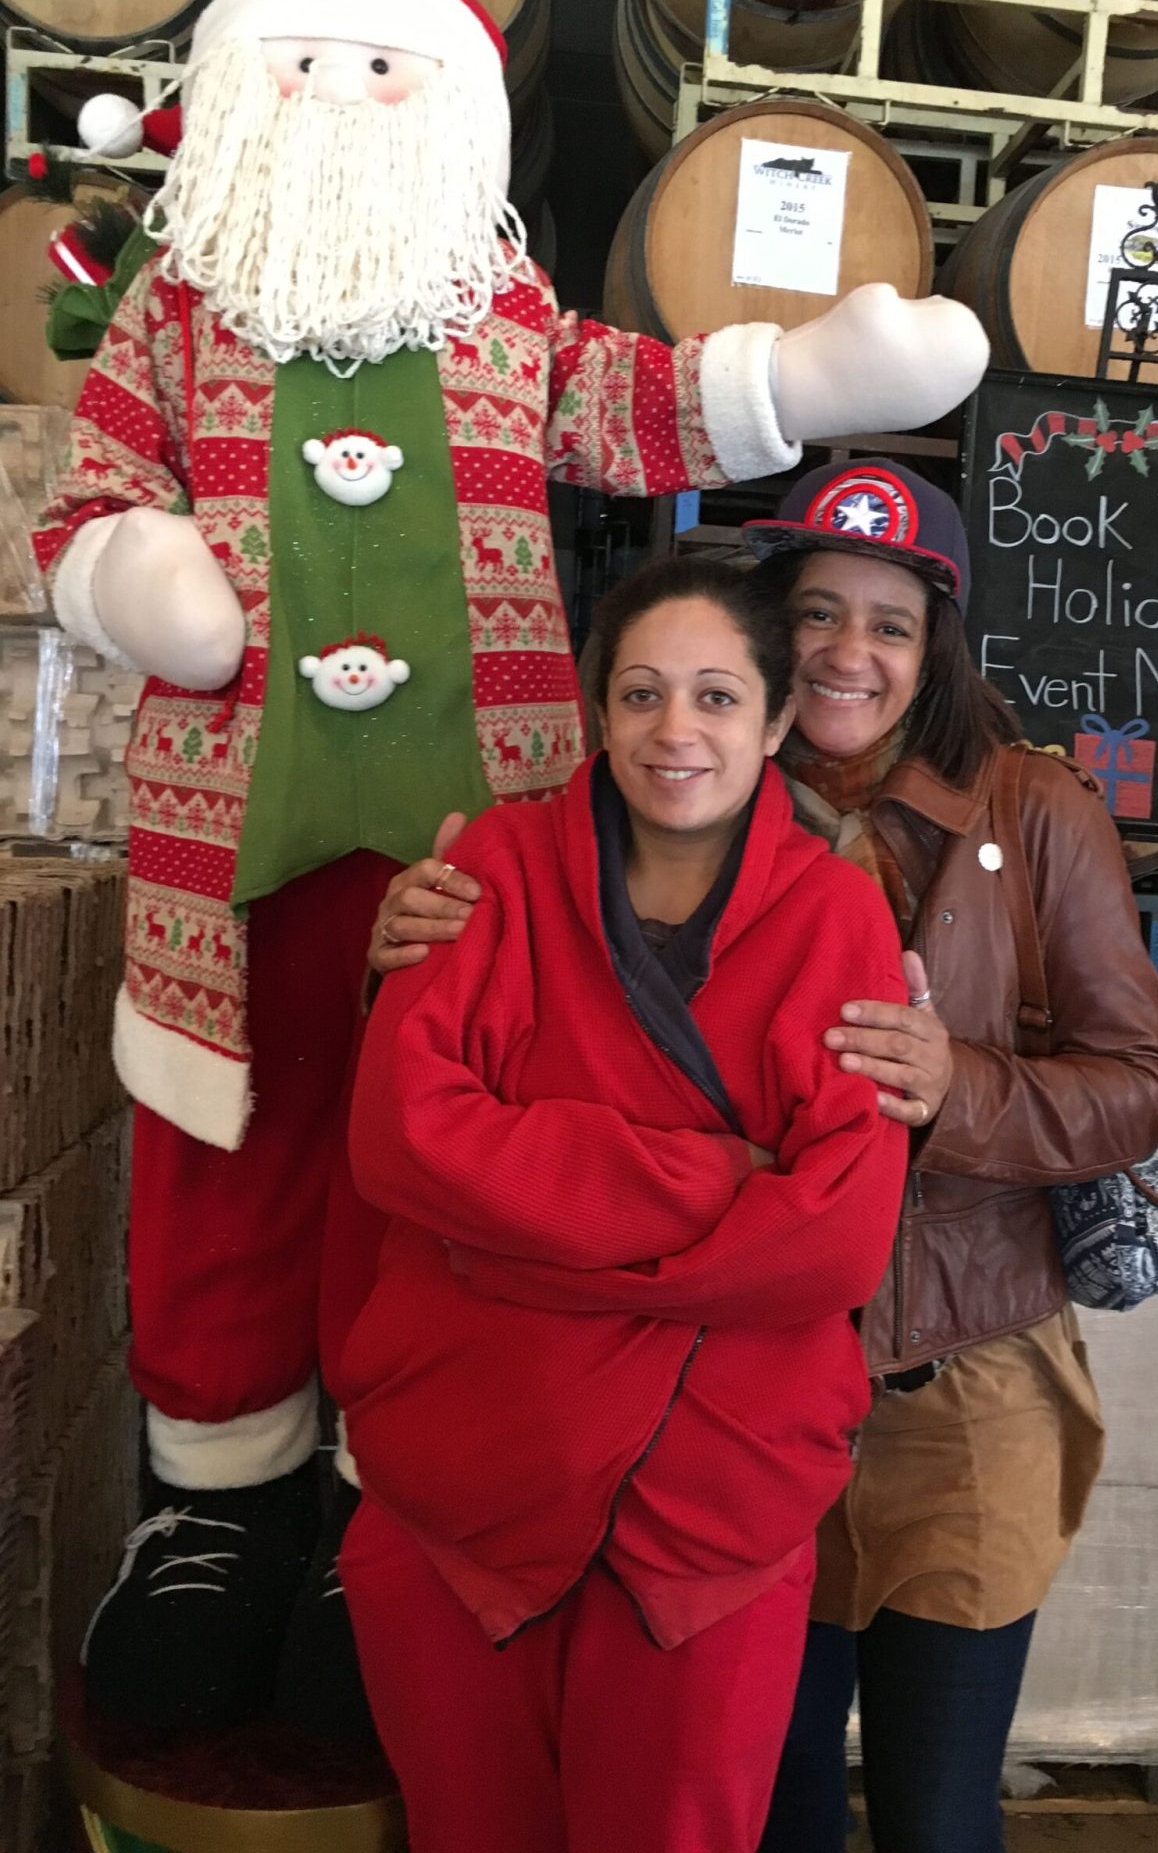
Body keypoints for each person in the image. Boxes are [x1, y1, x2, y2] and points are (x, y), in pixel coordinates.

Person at [34, 0, 988, 1731]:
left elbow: (630, 404)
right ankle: (217, 1509)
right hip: (230, 852)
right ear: (236, 94)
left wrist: (803, 384)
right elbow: (89, 495)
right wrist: (133, 574)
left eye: (383, 67)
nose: (343, 94)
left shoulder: (503, 316)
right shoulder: (171, 314)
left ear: (453, 112)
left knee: (440, 1161)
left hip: (478, 852)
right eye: (305, 64)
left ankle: (377, 1497)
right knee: (224, 1158)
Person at [373, 459, 1158, 1853]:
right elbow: (453, 1091)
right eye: (816, 613)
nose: (848, 650)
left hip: (952, 1364)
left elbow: (1140, 1088)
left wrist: (959, 1085)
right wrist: (404, 941)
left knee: (935, 1803)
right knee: (769, 1800)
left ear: (935, 649)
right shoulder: (660, 796)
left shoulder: (1032, 809)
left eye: (890, 623)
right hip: (713, 1394)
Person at [337, 554, 911, 1853]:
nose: (675, 731)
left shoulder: (837, 915)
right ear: (598, 711)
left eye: (718, 697)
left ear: (777, 721)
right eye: (642, 693)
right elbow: (406, 1138)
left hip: (710, 1511)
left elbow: (836, 1240)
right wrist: (719, 1182)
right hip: (469, 1473)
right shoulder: (492, 867)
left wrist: (511, 1239)